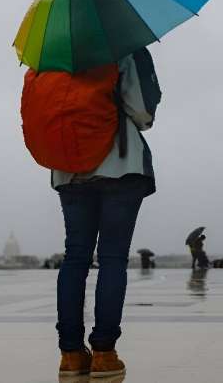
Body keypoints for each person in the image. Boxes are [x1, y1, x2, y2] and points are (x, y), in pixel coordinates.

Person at [52, 48, 160, 379]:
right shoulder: (124, 48)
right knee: (112, 258)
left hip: (68, 169)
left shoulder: (51, 57)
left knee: (75, 258)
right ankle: (104, 352)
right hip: (119, 165)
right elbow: (143, 114)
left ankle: (70, 354)